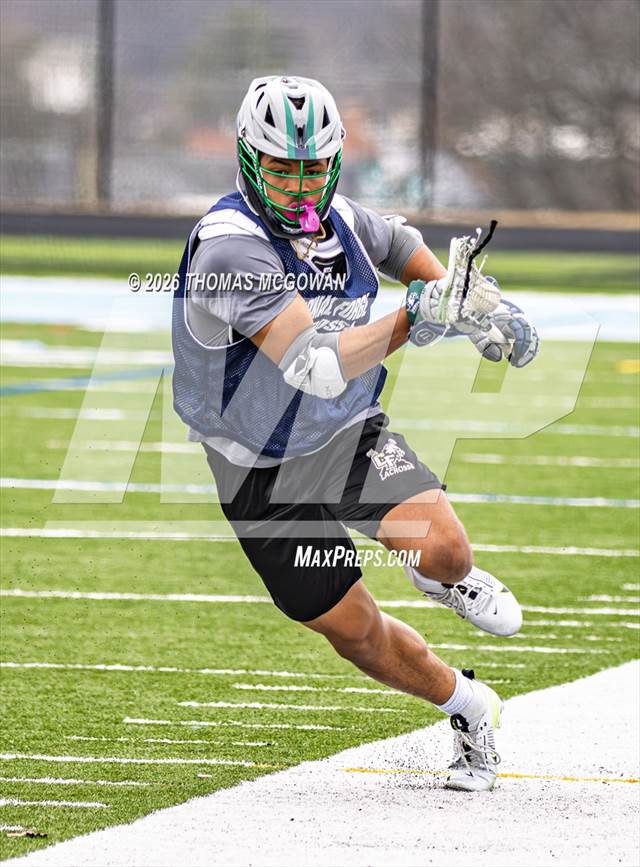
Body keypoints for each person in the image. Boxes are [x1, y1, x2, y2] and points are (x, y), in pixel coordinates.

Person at [171, 75, 539, 792]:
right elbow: (314, 364)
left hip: (343, 436)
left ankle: (435, 575)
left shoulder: (337, 215)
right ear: (249, 160)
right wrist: (417, 318)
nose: (298, 184)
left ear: (335, 163)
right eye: (281, 167)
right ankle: (469, 705)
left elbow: (403, 245)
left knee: (448, 550)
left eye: (311, 167)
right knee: (357, 632)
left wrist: (474, 306)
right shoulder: (230, 249)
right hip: (257, 471)